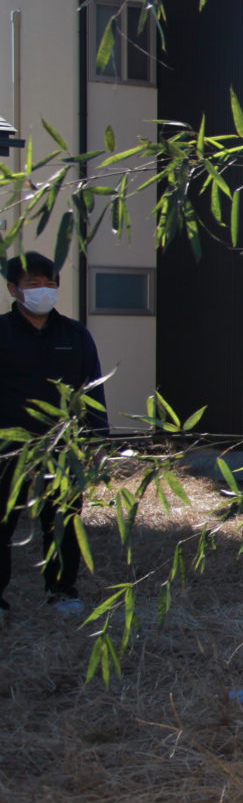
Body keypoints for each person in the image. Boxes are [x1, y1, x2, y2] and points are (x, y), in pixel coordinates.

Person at [0, 252, 107, 616]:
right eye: (33, 284)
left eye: (50, 283)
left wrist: (96, 439)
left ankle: (63, 591)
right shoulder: (1, 332)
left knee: (62, 519)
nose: (43, 290)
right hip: (7, 446)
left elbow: (91, 387)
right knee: (2, 521)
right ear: (14, 289)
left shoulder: (74, 334)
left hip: (62, 444)